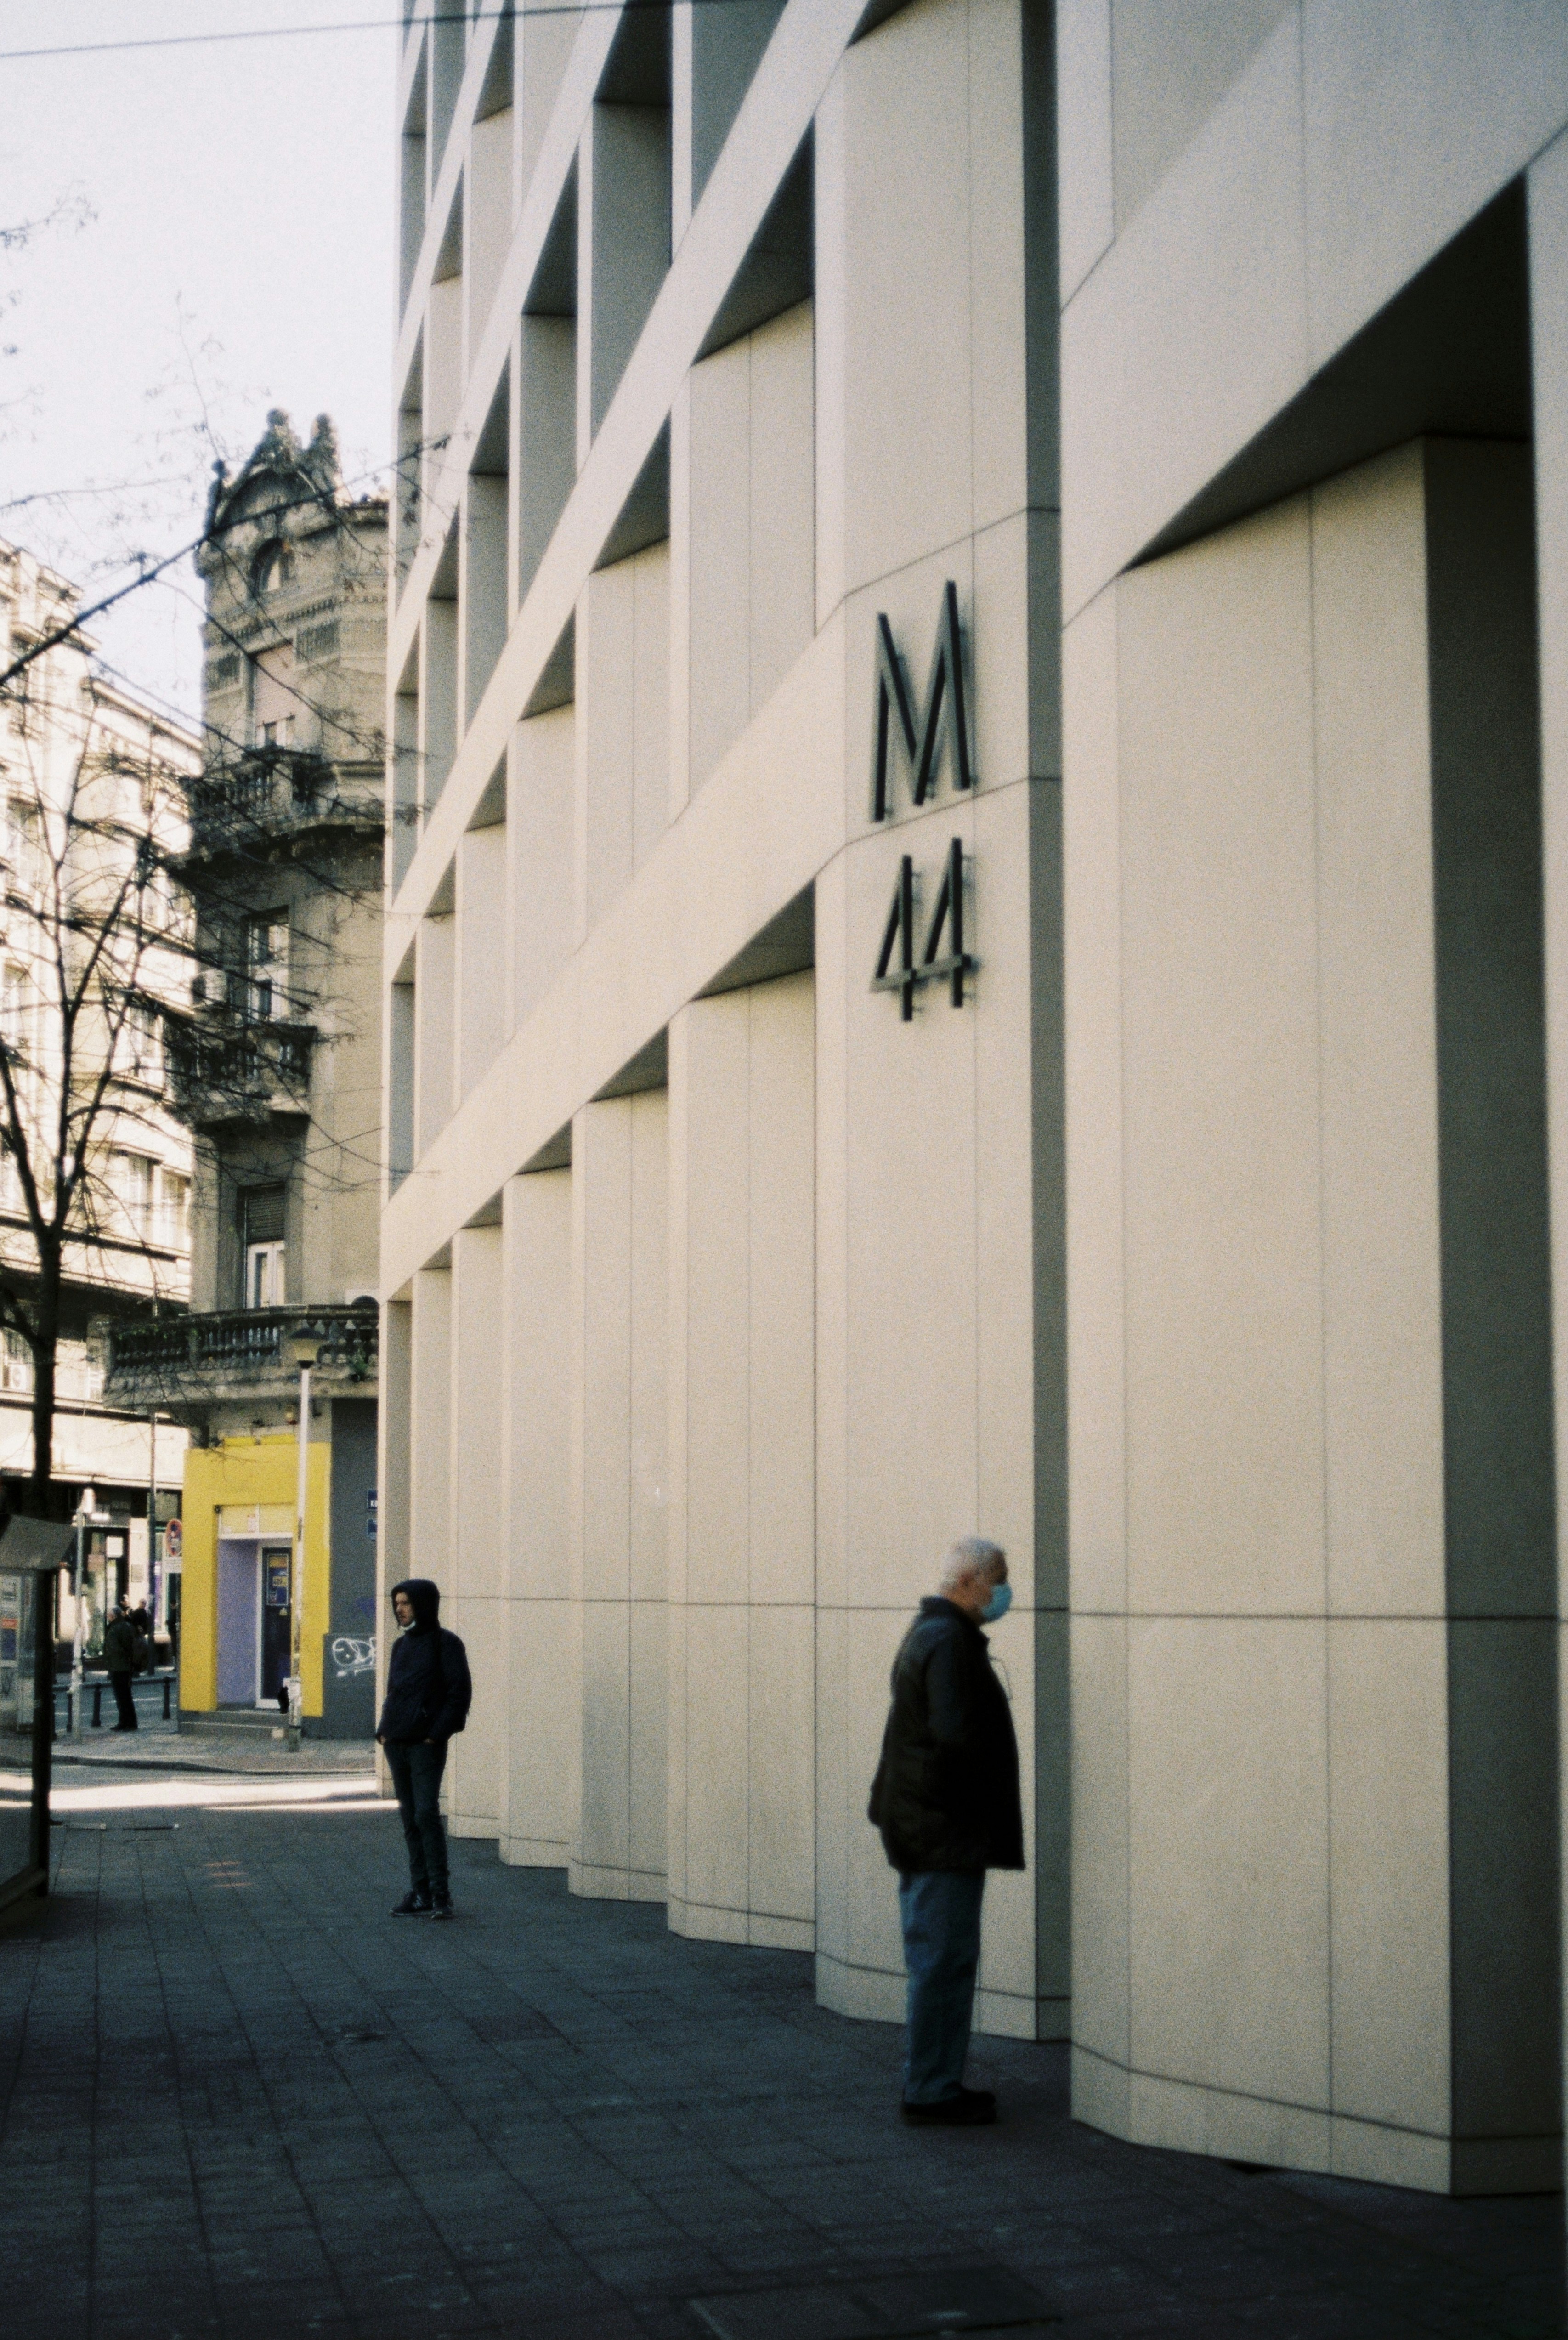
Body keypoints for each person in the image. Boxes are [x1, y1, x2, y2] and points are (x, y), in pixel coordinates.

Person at [868, 1536, 1022, 2126]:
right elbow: (956, 1740)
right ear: (967, 1582)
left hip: (929, 1825)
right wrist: (978, 1810)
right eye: (999, 1578)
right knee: (942, 1960)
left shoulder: (931, 1632)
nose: (1005, 1590)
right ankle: (931, 2089)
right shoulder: (949, 1641)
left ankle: (935, 2080)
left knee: (940, 1958)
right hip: (943, 1832)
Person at [376, 1577, 472, 1920]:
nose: (399, 1609)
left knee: (426, 1815)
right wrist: (384, 1732)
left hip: (424, 1746)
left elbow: (458, 1694)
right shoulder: (400, 1647)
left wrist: (436, 1734)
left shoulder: (446, 1644)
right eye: (397, 1603)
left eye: (406, 1603)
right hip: (397, 1743)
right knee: (409, 1818)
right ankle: (420, 1893)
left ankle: (440, 1895)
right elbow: (394, 1692)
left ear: (424, 1605)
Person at [102, 1602, 139, 1732]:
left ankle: (124, 1723)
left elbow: (114, 1649)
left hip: (118, 1667)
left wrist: (110, 1661)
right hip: (128, 1666)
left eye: (108, 1615)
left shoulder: (113, 1629)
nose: (107, 1617)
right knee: (127, 1696)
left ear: (112, 1616)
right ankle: (132, 1722)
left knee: (121, 1697)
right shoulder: (128, 1626)